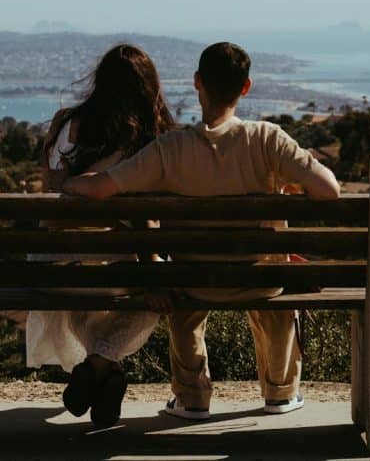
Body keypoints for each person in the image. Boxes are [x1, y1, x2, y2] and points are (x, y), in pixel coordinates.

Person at [63, 41, 340, 420]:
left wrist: (66, 184)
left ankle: (192, 396)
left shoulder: (169, 149)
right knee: (278, 276)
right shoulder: (268, 139)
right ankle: (280, 391)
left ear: (197, 83)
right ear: (246, 87)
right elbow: (329, 190)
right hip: (260, 278)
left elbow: (100, 188)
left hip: (192, 281)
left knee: (182, 288)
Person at [27, 43, 175, 428]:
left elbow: (54, 186)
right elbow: (144, 221)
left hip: (49, 264)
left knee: (85, 284)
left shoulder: (64, 122)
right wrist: (152, 271)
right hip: (112, 264)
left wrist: (77, 180)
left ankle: (101, 372)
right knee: (156, 290)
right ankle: (100, 367)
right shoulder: (145, 139)